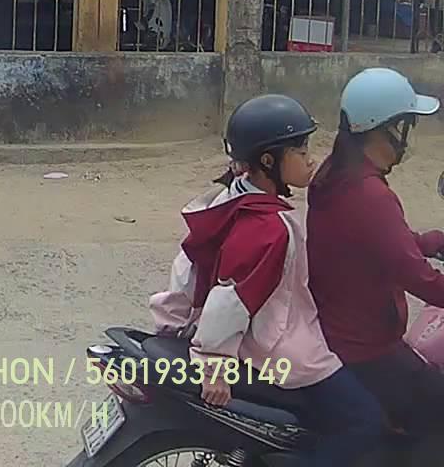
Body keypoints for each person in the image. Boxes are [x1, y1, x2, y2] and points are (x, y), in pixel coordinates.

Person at [150, 94, 384, 467]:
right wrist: (214, 365)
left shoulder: (229, 198)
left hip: (256, 338)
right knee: (366, 421)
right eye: (300, 150)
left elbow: (188, 267)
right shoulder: (268, 228)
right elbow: (231, 299)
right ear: (268, 161)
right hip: (276, 349)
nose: (311, 158)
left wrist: (172, 324)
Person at [307, 67, 444, 434]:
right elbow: (416, 276)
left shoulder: (336, 174)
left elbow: (377, 243)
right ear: (383, 129)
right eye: (404, 127)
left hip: (340, 329)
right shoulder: (369, 194)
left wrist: (432, 241)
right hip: (366, 348)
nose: (406, 139)